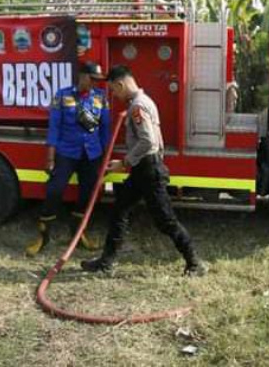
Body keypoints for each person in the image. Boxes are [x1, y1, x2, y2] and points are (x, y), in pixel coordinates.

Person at [81, 65, 208, 276]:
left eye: (114, 90)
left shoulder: (138, 106)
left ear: (121, 84)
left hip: (149, 171)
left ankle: (195, 263)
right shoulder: (142, 102)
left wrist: (124, 163)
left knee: (166, 221)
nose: (114, 95)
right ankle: (106, 263)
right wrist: (126, 163)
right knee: (119, 210)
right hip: (142, 170)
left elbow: (148, 141)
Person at [25, 62, 110, 256]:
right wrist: (50, 157)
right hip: (66, 153)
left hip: (92, 155)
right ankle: (43, 238)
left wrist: (105, 157)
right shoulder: (62, 96)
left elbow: (105, 130)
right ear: (82, 76)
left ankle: (79, 235)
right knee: (54, 191)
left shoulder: (101, 98)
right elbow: (54, 127)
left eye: (98, 80)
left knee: (87, 195)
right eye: (92, 78)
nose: (95, 83)